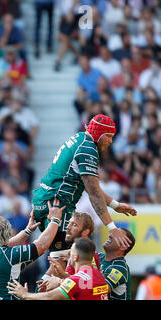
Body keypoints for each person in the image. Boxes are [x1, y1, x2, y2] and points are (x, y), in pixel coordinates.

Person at [31, 114, 137, 254]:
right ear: (99, 134)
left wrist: (115, 205)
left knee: (64, 258)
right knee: (64, 258)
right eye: (109, 136)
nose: (111, 141)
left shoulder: (80, 138)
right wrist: (113, 228)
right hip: (58, 204)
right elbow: (93, 193)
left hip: (47, 200)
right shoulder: (88, 149)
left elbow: (91, 188)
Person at [0, 199, 63, 300]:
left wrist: (27, 231)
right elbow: (42, 245)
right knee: (47, 280)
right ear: (8, 234)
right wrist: (55, 219)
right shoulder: (9, 255)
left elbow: (5, 244)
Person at [8, 238, 110, 300]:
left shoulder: (76, 280)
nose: (69, 255)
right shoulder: (99, 275)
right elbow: (84, 287)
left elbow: (50, 297)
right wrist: (61, 281)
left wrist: (24, 294)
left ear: (76, 257)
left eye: (71, 252)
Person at [37, 211, 99, 291]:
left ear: (85, 232)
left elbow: (88, 285)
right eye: (69, 223)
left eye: (74, 225)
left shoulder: (88, 254)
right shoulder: (73, 253)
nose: (68, 227)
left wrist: (60, 280)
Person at [99, 228, 135, 300]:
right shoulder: (99, 256)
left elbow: (101, 290)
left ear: (123, 246)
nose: (110, 235)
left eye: (117, 235)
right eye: (113, 233)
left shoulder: (120, 268)